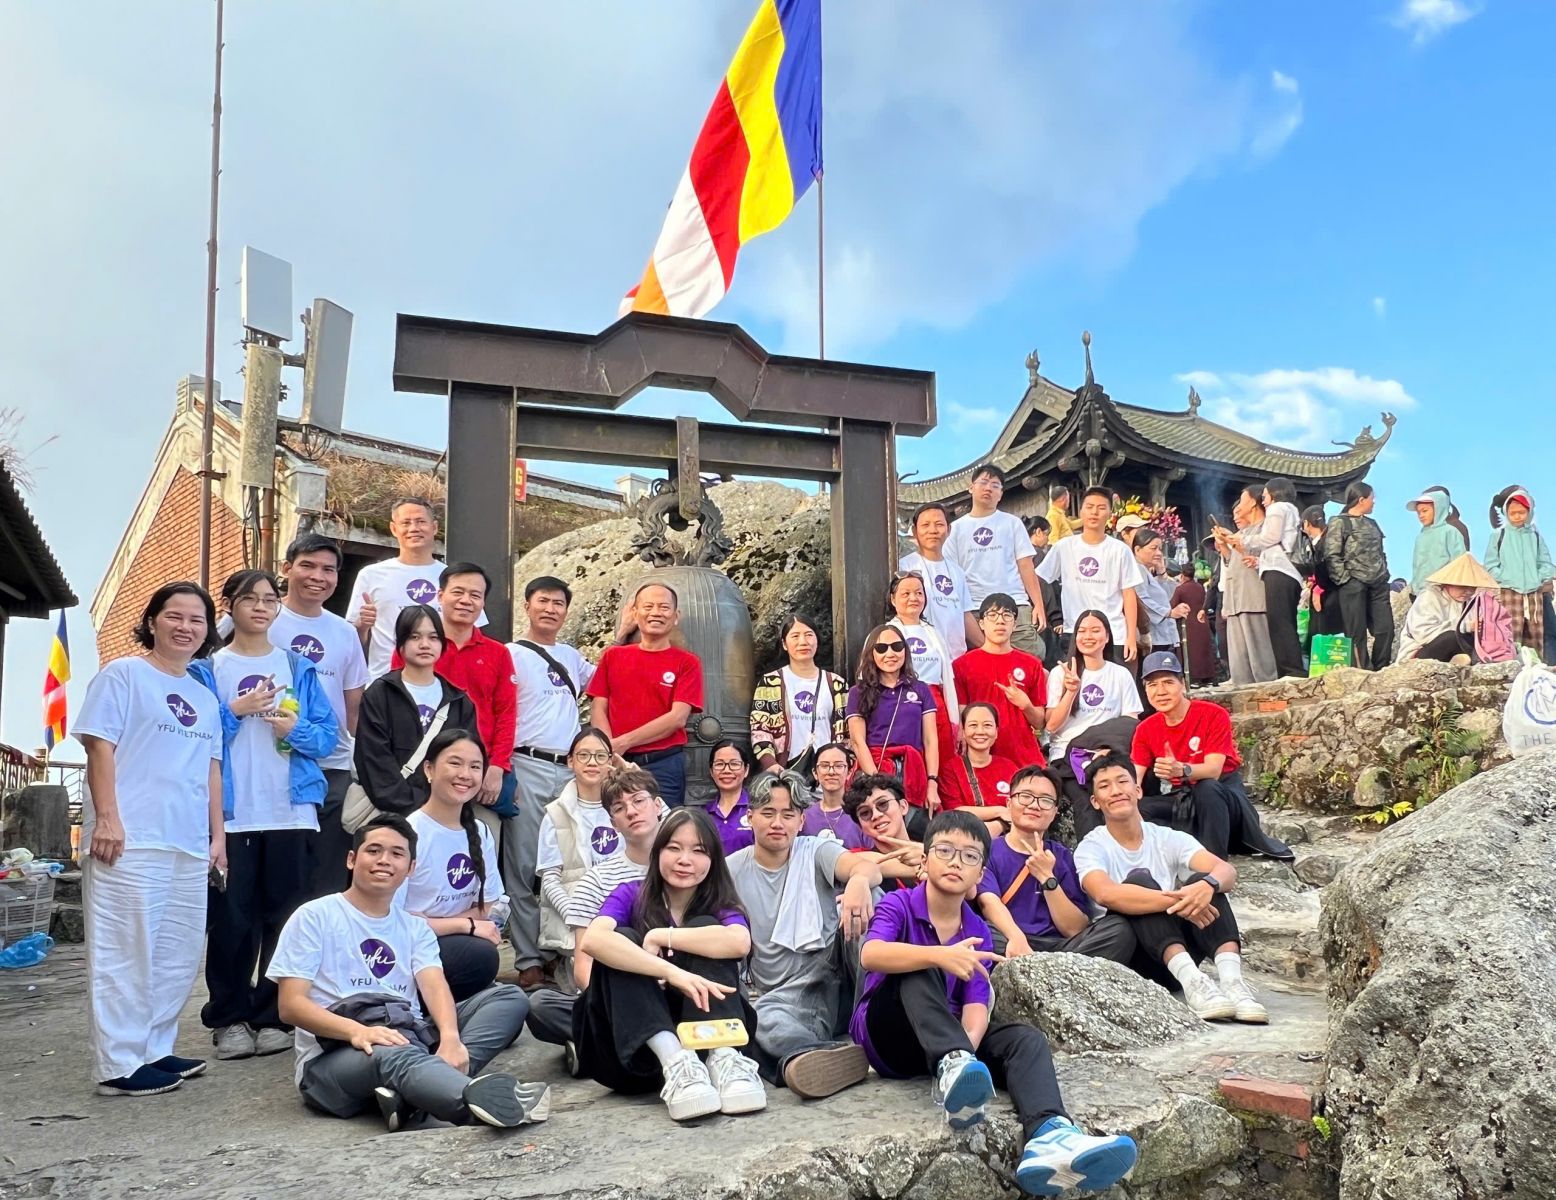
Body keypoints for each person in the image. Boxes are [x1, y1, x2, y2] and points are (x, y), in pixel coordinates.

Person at [851, 810, 1138, 1196]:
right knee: (918, 968)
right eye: (945, 850)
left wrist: (967, 1052)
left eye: (969, 856)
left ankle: (1050, 1135)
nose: (956, 862)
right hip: (890, 1037)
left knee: (1024, 1039)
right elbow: (871, 954)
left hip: (950, 1046)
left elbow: (975, 1010)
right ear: (925, 860)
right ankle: (953, 1063)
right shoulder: (899, 904)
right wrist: (940, 955)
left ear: (979, 875)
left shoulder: (976, 930)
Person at [268, 814, 549, 1131]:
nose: (384, 860)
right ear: (351, 859)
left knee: (508, 997)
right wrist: (357, 1031)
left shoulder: (414, 927)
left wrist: (450, 1038)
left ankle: (414, 1093)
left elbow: (434, 985)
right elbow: (291, 1005)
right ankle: (476, 1103)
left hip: (408, 1035)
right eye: (374, 851)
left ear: (411, 868)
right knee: (393, 1054)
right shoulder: (313, 916)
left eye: (397, 853)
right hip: (336, 1055)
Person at [77, 582, 226, 1097]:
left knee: (175, 955)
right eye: (174, 616)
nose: (186, 627)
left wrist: (218, 836)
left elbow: (211, 771)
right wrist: (107, 818)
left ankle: (154, 1049)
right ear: (152, 621)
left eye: (197, 620)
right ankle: (118, 1065)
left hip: (186, 842)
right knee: (125, 954)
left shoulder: (204, 698)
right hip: (130, 839)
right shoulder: (123, 675)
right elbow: (99, 747)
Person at [193, 569, 338, 1062]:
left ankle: (273, 1014)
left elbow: (326, 738)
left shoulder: (297, 667)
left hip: (291, 811)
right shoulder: (207, 670)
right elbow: (196, 740)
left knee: (285, 918)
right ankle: (229, 1018)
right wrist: (236, 709)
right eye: (249, 599)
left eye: (269, 599)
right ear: (229, 606)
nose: (260, 607)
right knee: (232, 920)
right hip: (232, 815)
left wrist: (294, 728)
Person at [574, 808, 767, 1122]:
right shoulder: (631, 893)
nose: (684, 860)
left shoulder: (720, 904)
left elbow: (738, 942)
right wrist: (669, 970)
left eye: (699, 851)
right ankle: (675, 1062)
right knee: (621, 940)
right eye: (674, 848)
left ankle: (725, 1058)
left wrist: (662, 936)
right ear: (658, 851)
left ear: (714, 859)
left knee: (706, 927)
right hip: (633, 1055)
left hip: (702, 1048)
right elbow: (593, 940)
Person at [1075, 754, 1266, 1024]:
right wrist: (1179, 901)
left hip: (1174, 953)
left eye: (1122, 781)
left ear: (1138, 790)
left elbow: (1226, 871)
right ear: (1096, 801)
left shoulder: (1166, 837)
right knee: (1139, 883)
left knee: (1204, 881)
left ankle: (1234, 984)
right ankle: (1193, 983)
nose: (1116, 791)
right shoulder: (1091, 846)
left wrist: (1206, 886)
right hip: (1135, 958)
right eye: (1105, 786)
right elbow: (1105, 894)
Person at [727, 773, 882, 1098]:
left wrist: (857, 881)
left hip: (842, 972)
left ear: (800, 821)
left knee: (870, 897)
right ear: (750, 816)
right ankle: (814, 1057)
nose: (777, 823)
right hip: (791, 1000)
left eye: (788, 814)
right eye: (768, 813)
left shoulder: (815, 850)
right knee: (761, 1019)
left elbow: (867, 868)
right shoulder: (732, 870)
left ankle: (878, 1020)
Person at [526, 765, 667, 1057]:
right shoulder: (597, 880)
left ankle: (604, 1046)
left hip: (674, 984)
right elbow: (583, 967)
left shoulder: (683, 867)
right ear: (613, 823)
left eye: (638, 801)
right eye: (620, 808)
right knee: (540, 1006)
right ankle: (640, 1040)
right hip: (618, 993)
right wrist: (625, 997)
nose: (631, 811)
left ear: (657, 806)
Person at [506, 575, 598, 990]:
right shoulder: (510, 654)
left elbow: (606, 682)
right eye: (542, 601)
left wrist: (627, 632)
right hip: (526, 762)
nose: (550, 609)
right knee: (525, 864)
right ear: (527, 606)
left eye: (558, 603)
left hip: (570, 769)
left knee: (571, 863)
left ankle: (564, 949)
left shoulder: (571, 657)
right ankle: (529, 958)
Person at [267, 533, 370, 898]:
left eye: (328, 569)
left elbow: (354, 705)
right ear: (286, 568)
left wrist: (365, 763)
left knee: (328, 874)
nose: (318, 576)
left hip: (333, 765)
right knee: (281, 876)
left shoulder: (344, 632)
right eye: (307, 566)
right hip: (275, 761)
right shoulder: (264, 618)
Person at [1130, 652, 1292, 862]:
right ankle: (1172, 856)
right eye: (1152, 685)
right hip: (1183, 798)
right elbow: (1135, 776)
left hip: (1223, 796)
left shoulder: (1213, 714)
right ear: (1145, 690)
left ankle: (1214, 863)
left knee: (1207, 788)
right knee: (1137, 807)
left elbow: (1213, 770)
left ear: (1182, 684)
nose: (1160, 691)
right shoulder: (1145, 729)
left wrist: (1182, 769)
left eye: (1168, 682)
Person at [973, 766, 1135, 963]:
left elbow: (1074, 928)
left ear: (1055, 811)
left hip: (1060, 947)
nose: (1034, 805)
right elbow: (988, 902)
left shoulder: (1063, 856)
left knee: (1119, 929)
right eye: (1026, 796)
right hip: (1009, 939)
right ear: (1009, 803)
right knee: (979, 930)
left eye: (1045, 800)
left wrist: (1047, 878)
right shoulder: (988, 850)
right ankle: (1059, 973)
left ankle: (1046, 970)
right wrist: (1016, 938)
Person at [401, 731, 507, 1003]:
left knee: (511, 999)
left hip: (454, 941)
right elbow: (396, 920)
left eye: (475, 766)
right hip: (409, 947)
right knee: (481, 955)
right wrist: (466, 925)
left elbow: (489, 905)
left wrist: (449, 924)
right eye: (455, 763)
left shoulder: (481, 832)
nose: (465, 774)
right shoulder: (408, 833)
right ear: (429, 769)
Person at [588, 581, 704, 808]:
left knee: (663, 824)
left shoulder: (687, 662)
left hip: (663, 764)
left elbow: (678, 717)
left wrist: (623, 742)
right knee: (613, 822)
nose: (656, 613)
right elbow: (598, 706)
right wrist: (608, 749)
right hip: (615, 761)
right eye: (648, 606)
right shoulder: (613, 656)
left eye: (664, 607)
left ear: (676, 616)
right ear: (635, 613)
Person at [355, 606, 480, 816]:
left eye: (433, 637)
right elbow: (373, 759)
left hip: (444, 812)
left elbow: (464, 760)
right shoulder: (380, 694)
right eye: (414, 637)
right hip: (390, 814)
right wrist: (417, 806)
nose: (425, 645)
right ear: (401, 644)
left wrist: (441, 806)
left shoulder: (459, 701)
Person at [347, 497, 477, 680]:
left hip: (444, 682)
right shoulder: (371, 575)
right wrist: (362, 626)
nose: (414, 528)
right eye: (406, 523)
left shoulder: (454, 578)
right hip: (386, 682)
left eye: (421, 521)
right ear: (394, 529)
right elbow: (350, 640)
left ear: (434, 527)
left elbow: (472, 635)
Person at [535, 727, 624, 984]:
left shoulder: (626, 806)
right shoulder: (555, 814)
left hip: (624, 913)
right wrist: (578, 917)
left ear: (611, 761)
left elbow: (664, 826)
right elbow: (550, 880)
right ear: (570, 761)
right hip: (575, 921)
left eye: (600, 756)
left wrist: (632, 776)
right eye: (583, 755)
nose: (592, 762)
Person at [945, 463, 1048, 658]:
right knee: (980, 666)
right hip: (974, 609)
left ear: (1000, 494)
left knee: (1030, 660)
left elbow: (1026, 566)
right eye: (983, 482)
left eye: (995, 485)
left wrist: (1038, 605)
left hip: (1015, 605)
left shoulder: (1012, 523)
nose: (988, 488)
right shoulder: (955, 529)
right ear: (971, 488)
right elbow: (952, 574)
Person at [888, 572, 973, 808]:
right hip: (902, 706)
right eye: (905, 593)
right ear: (893, 599)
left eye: (918, 593)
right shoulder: (886, 633)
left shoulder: (933, 633)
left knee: (942, 764)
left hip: (937, 705)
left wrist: (957, 722)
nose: (913, 598)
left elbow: (948, 679)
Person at [1036, 485, 1141, 663]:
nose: (1094, 512)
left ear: (1110, 513)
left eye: (1101, 508)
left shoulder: (1120, 550)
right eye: (1089, 507)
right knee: (1074, 679)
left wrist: (1131, 636)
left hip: (1114, 633)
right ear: (1081, 511)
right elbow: (1040, 578)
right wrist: (1040, 608)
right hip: (1075, 631)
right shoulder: (1064, 547)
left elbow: (1129, 594)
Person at [846, 622, 940, 812]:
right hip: (875, 767)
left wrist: (932, 782)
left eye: (897, 647)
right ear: (871, 653)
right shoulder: (858, 692)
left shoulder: (920, 689)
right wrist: (875, 781)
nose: (890, 653)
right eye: (881, 648)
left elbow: (930, 740)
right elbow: (857, 741)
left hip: (913, 769)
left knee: (914, 823)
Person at [952, 594, 1047, 768]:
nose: (1000, 621)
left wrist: (1026, 705)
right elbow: (961, 714)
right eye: (992, 615)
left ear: (1015, 624)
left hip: (1023, 757)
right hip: (980, 757)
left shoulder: (1032, 664)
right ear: (981, 623)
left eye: (1007, 615)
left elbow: (1039, 722)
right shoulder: (961, 665)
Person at [748, 614, 848, 777]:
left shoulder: (836, 684)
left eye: (809, 635)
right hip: (785, 771)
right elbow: (760, 728)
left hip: (828, 772)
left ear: (817, 640)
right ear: (784, 644)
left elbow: (847, 732)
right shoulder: (771, 681)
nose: (803, 642)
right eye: (795, 636)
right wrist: (771, 764)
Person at [1224, 478, 1304, 678]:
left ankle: (1291, 670)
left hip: (1280, 571)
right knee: (1283, 622)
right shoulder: (1290, 510)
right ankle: (1290, 669)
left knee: (1280, 624)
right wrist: (1259, 562)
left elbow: (1271, 537)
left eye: (1266, 495)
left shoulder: (1277, 508)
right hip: (1285, 570)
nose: (1264, 499)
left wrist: (1242, 539)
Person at [1044, 610, 1142, 766]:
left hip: (1109, 755)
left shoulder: (1121, 674)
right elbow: (1051, 726)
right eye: (1082, 631)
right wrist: (1071, 692)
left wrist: (1109, 749)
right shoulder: (1060, 673)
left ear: (1107, 636)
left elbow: (1130, 723)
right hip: (1066, 754)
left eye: (1095, 631)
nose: (1088, 636)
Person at [1325, 482, 1395, 669]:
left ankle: (1381, 668)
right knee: (1356, 634)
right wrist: (1345, 579)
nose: (1374, 502)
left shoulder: (1373, 524)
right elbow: (1331, 554)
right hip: (1353, 583)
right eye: (1372, 498)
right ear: (1361, 499)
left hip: (1379, 583)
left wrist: (1385, 572)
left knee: (1385, 629)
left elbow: (1380, 551)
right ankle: (1362, 670)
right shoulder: (1340, 522)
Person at [1397, 554, 1516, 664]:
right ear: (1448, 583)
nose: (1468, 591)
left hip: (1458, 647)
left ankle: (1462, 660)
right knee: (1451, 638)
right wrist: (1466, 626)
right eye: (1463, 587)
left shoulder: (1471, 603)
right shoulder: (1429, 597)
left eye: (1472, 588)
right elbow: (1422, 633)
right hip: (1419, 652)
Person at [899, 502, 980, 659]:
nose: (933, 531)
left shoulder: (957, 571)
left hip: (956, 658)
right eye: (925, 525)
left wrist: (987, 648)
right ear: (915, 531)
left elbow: (965, 615)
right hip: (923, 659)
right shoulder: (905, 567)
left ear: (948, 530)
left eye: (939, 525)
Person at [1214, 494, 1278, 684]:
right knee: (1239, 658)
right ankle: (1242, 688)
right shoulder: (1241, 533)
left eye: (1242, 501)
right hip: (1235, 599)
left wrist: (1234, 542)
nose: (1237, 513)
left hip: (1253, 597)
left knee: (1260, 654)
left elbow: (1260, 559)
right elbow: (1233, 563)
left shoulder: (1266, 529)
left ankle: (1267, 689)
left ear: (1253, 503)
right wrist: (1225, 546)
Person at [1485, 487, 1556, 657]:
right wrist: (1505, 578)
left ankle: (1536, 668)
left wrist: (1537, 578)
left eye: (1521, 512)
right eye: (1513, 513)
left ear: (1529, 512)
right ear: (1506, 512)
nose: (1517, 516)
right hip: (1509, 592)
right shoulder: (1499, 535)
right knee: (1510, 633)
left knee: (1535, 636)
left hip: (1533, 594)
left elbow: (1546, 563)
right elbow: (1490, 564)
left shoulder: (1535, 536)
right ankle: (1511, 666)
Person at [956, 702, 1018, 828]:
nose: (980, 731)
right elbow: (955, 811)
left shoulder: (1009, 767)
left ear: (996, 732)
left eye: (987, 725)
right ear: (963, 732)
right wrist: (1000, 811)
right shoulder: (952, 768)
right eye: (973, 725)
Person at [1131, 531, 1189, 661]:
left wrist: (1162, 572)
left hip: (1161, 635)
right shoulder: (1137, 569)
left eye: (1160, 549)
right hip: (1152, 637)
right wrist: (1168, 613)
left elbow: (1166, 597)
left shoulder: (1145, 570)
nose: (1158, 553)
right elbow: (1141, 599)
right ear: (1137, 550)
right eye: (1153, 548)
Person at [800, 743, 868, 848]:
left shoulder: (861, 813)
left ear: (849, 772)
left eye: (839, 766)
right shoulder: (805, 816)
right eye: (824, 766)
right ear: (815, 773)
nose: (831, 772)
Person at [1407, 486, 1471, 596]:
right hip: (1420, 593)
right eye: (1418, 512)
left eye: (1425, 511)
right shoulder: (1420, 537)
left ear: (1438, 508)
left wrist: (1453, 587)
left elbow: (1460, 562)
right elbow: (1417, 566)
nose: (1421, 515)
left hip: (1444, 592)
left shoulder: (1450, 531)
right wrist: (1414, 587)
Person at [704, 740, 756, 855]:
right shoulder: (704, 814)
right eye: (719, 764)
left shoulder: (757, 809)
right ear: (711, 771)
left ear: (746, 770)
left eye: (734, 764)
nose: (726, 770)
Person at [1301, 506, 1344, 641]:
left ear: (1306, 523)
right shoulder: (1326, 540)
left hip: (1329, 593)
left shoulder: (1326, 542)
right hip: (1327, 591)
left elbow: (1330, 566)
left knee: (1325, 634)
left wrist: (1318, 589)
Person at [1172, 563, 1217, 686]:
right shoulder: (1200, 587)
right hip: (1202, 622)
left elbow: (1172, 605)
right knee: (1204, 650)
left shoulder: (1180, 589)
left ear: (1182, 575)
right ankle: (1208, 678)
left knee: (1192, 652)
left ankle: (1195, 679)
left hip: (1189, 625)